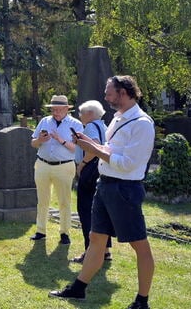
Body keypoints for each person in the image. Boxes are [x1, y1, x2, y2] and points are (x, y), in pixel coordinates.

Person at [50, 76, 156, 309]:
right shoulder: (117, 119)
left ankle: (142, 301)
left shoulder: (141, 123)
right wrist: (90, 143)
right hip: (106, 184)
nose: (106, 97)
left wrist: (94, 150)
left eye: (109, 92)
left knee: (140, 245)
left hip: (124, 189)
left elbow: (127, 163)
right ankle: (78, 288)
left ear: (124, 92)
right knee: (96, 238)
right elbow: (111, 149)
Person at [30, 95, 81, 244]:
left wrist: (61, 140)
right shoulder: (44, 121)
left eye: (59, 110)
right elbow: (33, 143)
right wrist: (39, 140)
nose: (56, 112)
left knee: (64, 201)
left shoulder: (75, 124)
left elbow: (76, 149)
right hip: (42, 165)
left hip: (64, 166)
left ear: (67, 109)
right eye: (53, 110)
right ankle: (40, 231)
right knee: (42, 200)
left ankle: (65, 233)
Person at [72, 100, 111, 264]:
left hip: (90, 169)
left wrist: (82, 164)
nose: (80, 116)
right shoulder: (105, 126)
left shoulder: (90, 127)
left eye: (81, 113)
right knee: (101, 211)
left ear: (90, 113)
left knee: (86, 211)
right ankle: (105, 250)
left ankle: (91, 251)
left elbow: (92, 148)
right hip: (102, 169)